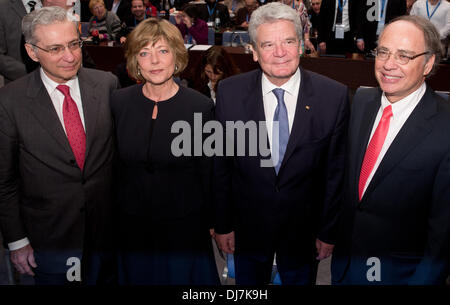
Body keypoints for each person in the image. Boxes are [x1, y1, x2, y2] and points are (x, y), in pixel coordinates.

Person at [213, 2, 349, 285]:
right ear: (253, 51)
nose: (280, 53)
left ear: (301, 45)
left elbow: (334, 174)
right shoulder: (229, 92)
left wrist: (328, 231)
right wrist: (223, 224)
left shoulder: (333, 96)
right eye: (268, 44)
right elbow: (222, 166)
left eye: (288, 41)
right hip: (247, 232)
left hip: (304, 236)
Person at [0, 6, 120, 285]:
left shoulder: (106, 85)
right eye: (55, 49)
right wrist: (17, 241)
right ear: (32, 52)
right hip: (49, 240)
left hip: (107, 238)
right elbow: (5, 182)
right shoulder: (10, 102)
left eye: (74, 44)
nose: (69, 57)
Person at [331, 15, 450, 285]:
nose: (388, 64)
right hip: (345, 267)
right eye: (383, 52)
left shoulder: (446, 127)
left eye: (404, 56)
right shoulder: (361, 101)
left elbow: (443, 236)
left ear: (428, 63)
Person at [111, 17, 220, 285]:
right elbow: (113, 168)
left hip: (184, 228)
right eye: (144, 53)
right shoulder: (118, 102)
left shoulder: (201, 107)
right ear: (136, 61)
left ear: (177, 56)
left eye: (163, 51)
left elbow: (209, 173)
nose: (155, 61)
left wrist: (214, 221)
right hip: (131, 228)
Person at [0, 0, 42, 83]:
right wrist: (31, 72)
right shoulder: (3, 8)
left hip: (55, 83)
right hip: (18, 83)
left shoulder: (54, 4)